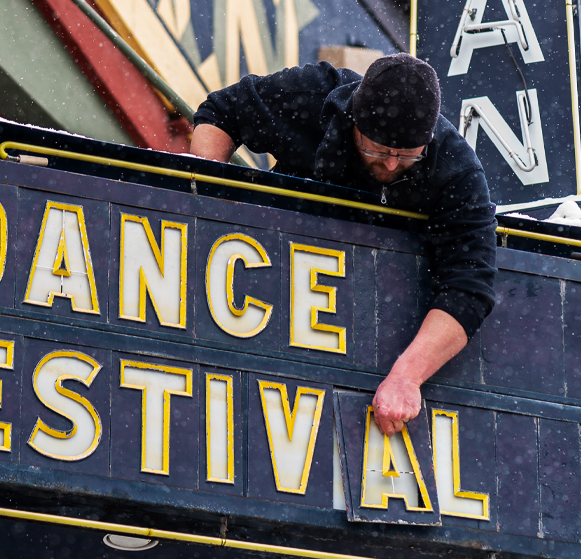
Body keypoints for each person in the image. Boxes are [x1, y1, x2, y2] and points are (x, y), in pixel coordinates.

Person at [187, 54, 497, 436]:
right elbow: (222, 112)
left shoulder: (457, 170)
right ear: (355, 122)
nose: (390, 166)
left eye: (407, 156)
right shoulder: (314, 94)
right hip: (256, 282)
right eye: (378, 151)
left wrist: (406, 377)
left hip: (364, 323)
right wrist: (207, 204)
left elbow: (469, 288)